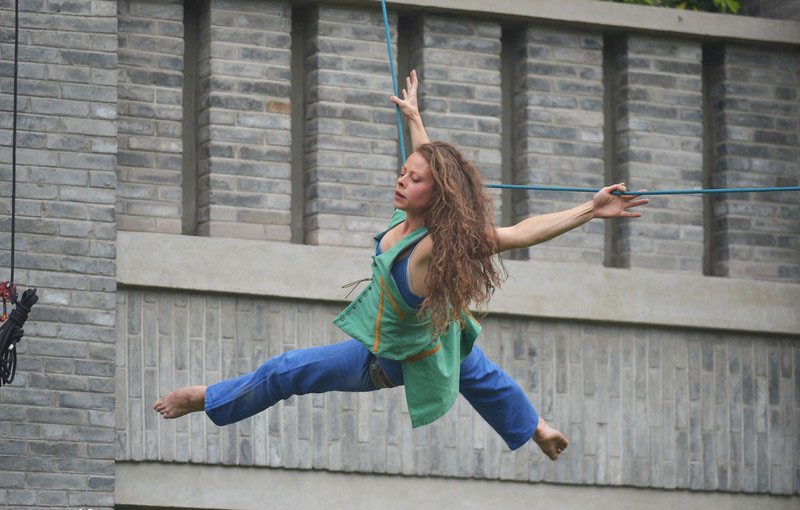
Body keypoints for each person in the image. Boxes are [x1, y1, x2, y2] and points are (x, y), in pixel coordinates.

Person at [154, 70, 648, 460]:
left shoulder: (432, 246)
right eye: (402, 173)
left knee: (286, 371)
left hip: (386, 359)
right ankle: (538, 428)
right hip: (436, 335)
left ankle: (207, 399)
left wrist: (590, 209)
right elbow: (430, 162)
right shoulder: (404, 217)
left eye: (413, 180)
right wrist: (414, 116)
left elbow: (519, 233)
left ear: (434, 196)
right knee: (477, 368)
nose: (401, 181)